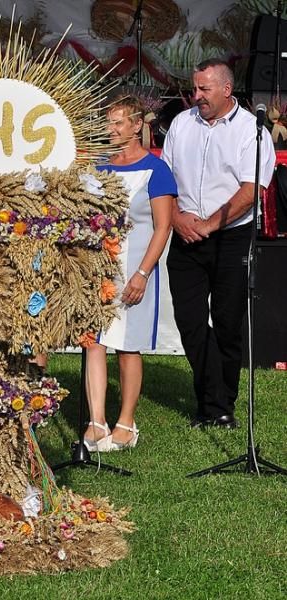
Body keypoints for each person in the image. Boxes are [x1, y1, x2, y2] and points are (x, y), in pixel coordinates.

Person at [162, 59, 276, 429]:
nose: (196, 97)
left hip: (230, 236)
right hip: (185, 234)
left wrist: (210, 225)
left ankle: (219, 403)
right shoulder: (182, 123)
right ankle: (215, 401)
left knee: (227, 322)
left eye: (203, 89)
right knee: (190, 321)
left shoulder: (251, 132)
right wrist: (177, 217)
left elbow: (250, 191)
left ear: (226, 90)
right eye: (195, 89)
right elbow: (165, 179)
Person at [84, 95, 176, 451]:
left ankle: (126, 422)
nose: (112, 129)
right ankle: (96, 421)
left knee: (127, 346)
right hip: (100, 269)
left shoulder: (157, 170)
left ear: (137, 125)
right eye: (109, 122)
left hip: (135, 270)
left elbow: (162, 227)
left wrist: (142, 273)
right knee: (94, 341)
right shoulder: (100, 168)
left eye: (119, 122)